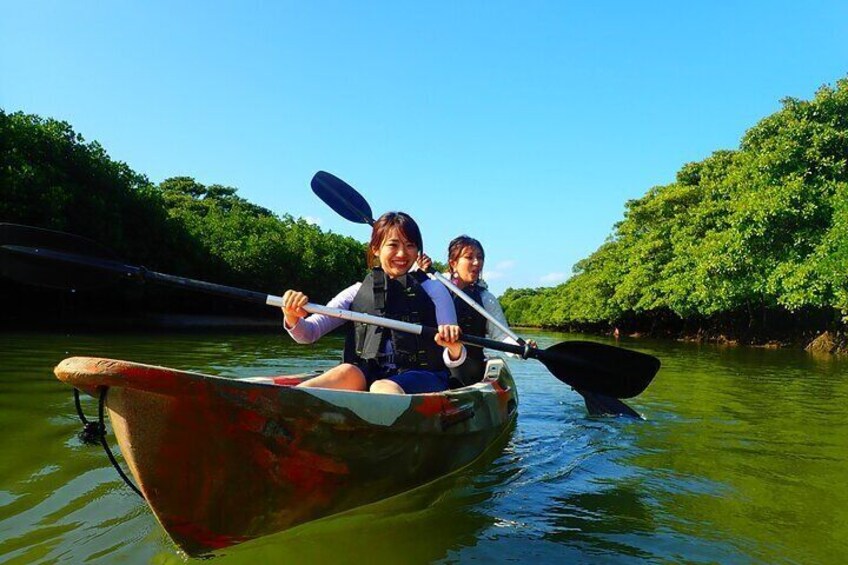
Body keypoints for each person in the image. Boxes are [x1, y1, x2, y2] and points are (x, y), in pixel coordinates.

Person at [281, 211, 466, 394]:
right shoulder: (356, 292)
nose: (402, 253)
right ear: (376, 248)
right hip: (368, 374)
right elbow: (308, 333)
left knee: (382, 387)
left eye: (410, 245)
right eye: (393, 245)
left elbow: (454, 355)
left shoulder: (434, 289)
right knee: (347, 371)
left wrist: (453, 346)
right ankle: (285, 404)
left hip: (422, 376)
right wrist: (292, 316)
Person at [419, 235, 534, 385]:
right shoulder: (432, 286)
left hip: (470, 372)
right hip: (433, 368)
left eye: (480, 258)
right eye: (469, 257)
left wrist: (522, 348)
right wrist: (418, 268)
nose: (476, 262)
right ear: (453, 263)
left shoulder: (486, 298)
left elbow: (501, 335)